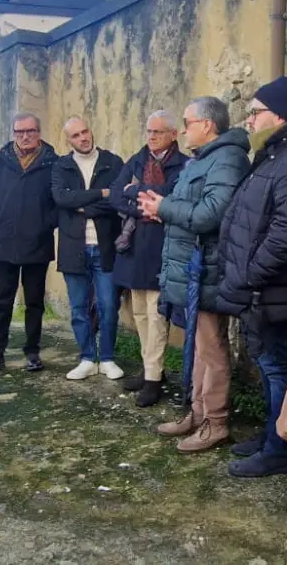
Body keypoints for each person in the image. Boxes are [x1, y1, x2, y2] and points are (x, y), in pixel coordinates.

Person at [216, 71, 287, 478]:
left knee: (280, 369)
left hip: (276, 291)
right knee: (269, 368)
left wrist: (248, 274)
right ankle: (273, 435)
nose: (248, 119)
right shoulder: (273, 157)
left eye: (255, 112)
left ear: (279, 116)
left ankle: (280, 449)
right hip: (260, 291)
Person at [139, 96, 250, 453]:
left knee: (212, 348)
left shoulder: (228, 159)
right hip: (195, 267)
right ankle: (199, 413)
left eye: (187, 123)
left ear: (207, 125)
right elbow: (191, 206)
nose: (183, 130)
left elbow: (212, 213)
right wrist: (163, 210)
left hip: (211, 266)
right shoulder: (205, 159)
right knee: (200, 348)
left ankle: (215, 422)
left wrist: (165, 207)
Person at [0, 112, 59, 376]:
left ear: (39, 132)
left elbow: (59, 200)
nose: (25, 136)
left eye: (30, 131)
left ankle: (32, 351)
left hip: (37, 243)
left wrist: (45, 223)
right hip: (4, 243)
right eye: (19, 132)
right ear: (14, 134)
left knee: (34, 301)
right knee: (1, 301)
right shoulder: (0, 160)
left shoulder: (53, 162)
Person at [110, 110, 188, 406]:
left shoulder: (182, 165)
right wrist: (148, 208)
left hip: (160, 248)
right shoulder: (137, 159)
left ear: (173, 134)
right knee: (139, 313)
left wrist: (138, 190)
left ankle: (154, 380)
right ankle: (150, 369)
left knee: (156, 315)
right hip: (133, 247)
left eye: (158, 132)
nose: (152, 137)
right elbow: (116, 195)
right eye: (149, 131)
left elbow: (173, 195)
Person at [51, 117, 125, 382]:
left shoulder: (112, 162)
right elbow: (61, 198)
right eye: (76, 135)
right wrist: (99, 194)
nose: (83, 138)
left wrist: (81, 205)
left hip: (105, 246)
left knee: (108, 305)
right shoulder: (61, 165)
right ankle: (86, 358)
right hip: (74, 247)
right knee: (78, 308)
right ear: (68, 140)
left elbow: (118, 199)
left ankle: (106, 358)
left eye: (85, 132)